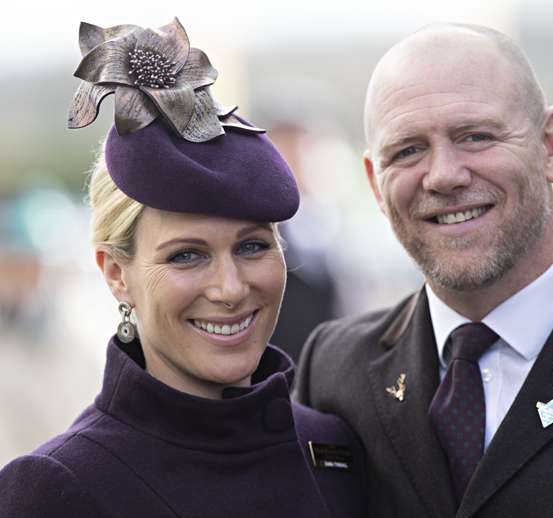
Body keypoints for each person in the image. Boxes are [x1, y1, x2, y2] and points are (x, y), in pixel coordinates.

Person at [294, 23, 553, 517]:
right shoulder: (335, 371)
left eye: (475, 136)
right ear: (375, 184)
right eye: (408, 150)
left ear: (551, 146)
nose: (444, 175)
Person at [0, 19, 366, 518]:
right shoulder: (57, 488)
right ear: (115, 274)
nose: (230, 288)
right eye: (186, 255)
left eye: (252, 247)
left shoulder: (336, 451)